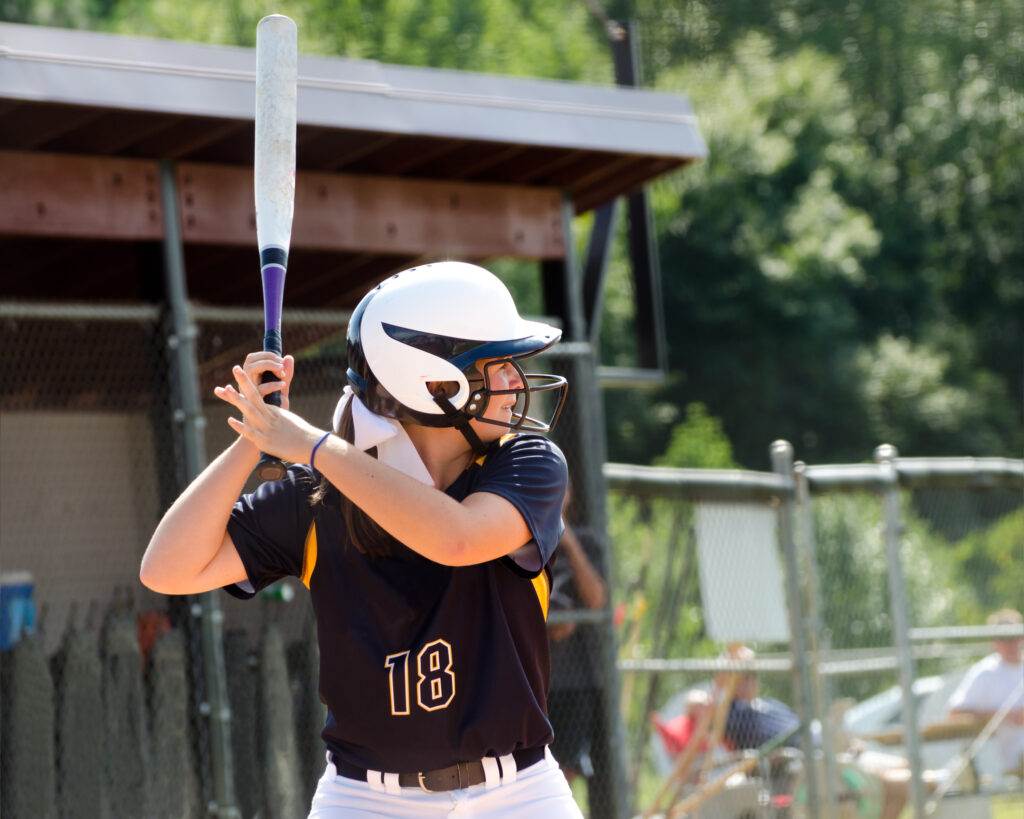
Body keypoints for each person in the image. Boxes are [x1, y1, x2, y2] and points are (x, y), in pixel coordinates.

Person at [140, 262, 584, 817]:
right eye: (498, 365)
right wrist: (255, 438)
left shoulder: (527, 464)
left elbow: (458, 538)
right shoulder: (318, 497)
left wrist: (313, 445)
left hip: (517, 792)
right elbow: (167, 568)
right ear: (431, 380)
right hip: (365, 798)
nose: (517, 382)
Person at [546, 483, 607, 790]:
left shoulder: (586, 542)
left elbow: (597, 600)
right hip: (532, 678)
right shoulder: (518, 537)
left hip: (576, 681)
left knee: (565, 770)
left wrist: (568, 543)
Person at [947, 608, 1024, 776]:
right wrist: (1004, 716)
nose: (1011, 643)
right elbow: (955, 713)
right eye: (1004, 638)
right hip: (1007, 757)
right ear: (994, 642)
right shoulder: (985, 673)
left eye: (1015, 636)